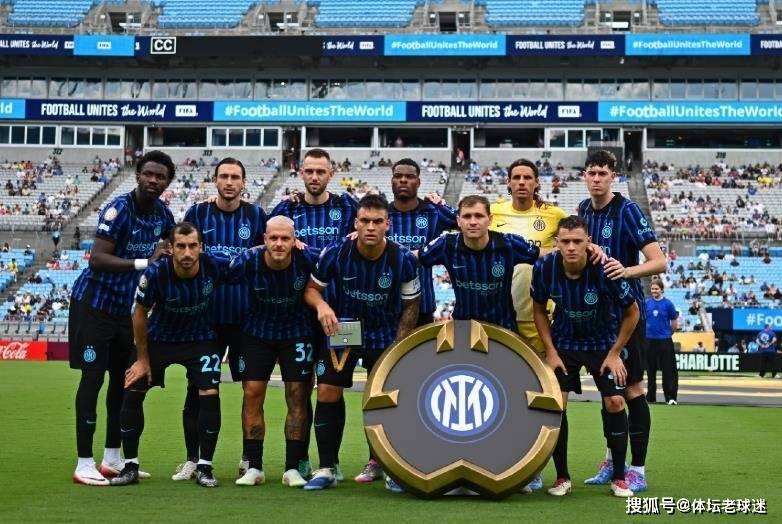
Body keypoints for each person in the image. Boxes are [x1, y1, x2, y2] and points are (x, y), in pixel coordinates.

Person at [69, 151, 176, 485]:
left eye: (160, 176)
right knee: (92, 379)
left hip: (125, 312)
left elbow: (174, 242)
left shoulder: (163, 214)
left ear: (167, 182)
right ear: (138, 175)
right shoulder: (118, 209)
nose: (153, 180)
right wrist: (145, 262)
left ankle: (112, 458)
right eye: (148, 174)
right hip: (94, 306)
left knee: (122, 381)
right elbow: (97, 259)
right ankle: (83, 463)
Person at [302, 194, 420, 491]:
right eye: (365, 221)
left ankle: (386, 465)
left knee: (386, 397)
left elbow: (411, 304)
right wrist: (322, 306)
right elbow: (312, 290)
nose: (370, 227)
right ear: (355, 223)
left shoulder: (403, 258)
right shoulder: (336, 252)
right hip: (345, 327)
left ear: (387, 225)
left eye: (377, 221)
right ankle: (328, 467)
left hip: (383, 331)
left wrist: (400, 343)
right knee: (327, 391)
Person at [110, 223, 232, 487]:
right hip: (159, 339)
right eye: (181, 246)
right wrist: (142, 359)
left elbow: (252, 261)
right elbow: (139, 314)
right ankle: (130, 465)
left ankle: (204, 467)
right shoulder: (155, 273)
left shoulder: (215, 264)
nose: (187, 253)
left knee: (210, 395)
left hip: (200, 339)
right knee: (132, 391)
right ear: (170, 248)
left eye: (192, 246)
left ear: (201, 247)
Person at [531, 215, 640, 498]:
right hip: (564, 342)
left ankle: (619, 478)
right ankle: (562, 478)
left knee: (615, 402)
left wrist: (615, 353)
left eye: (577, 241)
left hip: (602, 343)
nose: (571, 247)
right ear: (556, 242)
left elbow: (633, 312)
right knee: (556, 405)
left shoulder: (606, 268)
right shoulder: (544, 267)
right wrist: (550, 351)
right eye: (565, 241)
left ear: (588, 242)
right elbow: (539, 309)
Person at [578, 150, 666, 493]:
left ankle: (638, 469)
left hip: (627, 315)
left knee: (631, 389)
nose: (596, 179)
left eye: (603, 173)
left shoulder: (627, 210)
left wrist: (626, 270)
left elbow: (659, 261)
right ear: (584, 176)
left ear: (613, 176)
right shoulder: (583, 210)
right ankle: (612, 462)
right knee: (607, 394)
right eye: (591, 173)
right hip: (597, 317)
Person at [269, 148, 358, 481]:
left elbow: (372, 232)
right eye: (309, 171)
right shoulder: (286, 209)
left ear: (331, 174)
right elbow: (268, 247)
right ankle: (300, 458)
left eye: (321, 171)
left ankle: (331, 461)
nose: (315, 176)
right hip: (299, 315)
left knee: (333, 387)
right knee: (299, 388)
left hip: (343, 315)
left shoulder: (349, 208)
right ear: (300, 173)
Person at [176, 158, 266, 481]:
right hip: (206, 319)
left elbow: (266, 257)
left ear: (244, 182)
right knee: (197, 389)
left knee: (251, 390)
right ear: (215, 180)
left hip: (246, 319)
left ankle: (248, 458)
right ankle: (193, 459)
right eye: (224, 176)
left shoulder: (257, 216)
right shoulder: (197, 214)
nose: (229, 182)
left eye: (235, 177)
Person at [227, 216, 319, 488]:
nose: (279, 244)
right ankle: (254, 466)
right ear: (264, 239)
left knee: (298, 396)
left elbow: (337, 260)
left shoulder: (308, 258)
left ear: (295, 240)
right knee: (252, 394)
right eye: (274, 238)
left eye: (285, 238)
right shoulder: (246, 261)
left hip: (297, 332)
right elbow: (213, 272)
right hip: (257, 333)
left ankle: (293, 468)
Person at [418, 194, 541, 333]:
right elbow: (415, 257)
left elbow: (543, 255)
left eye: (479, 216)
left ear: (490, 219)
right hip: (463, 328)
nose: (473, 222)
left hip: (503, 329)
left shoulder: (509, 243)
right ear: (458, 220)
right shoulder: (446, 244)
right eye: (467, 216)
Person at [387, 158, 457, 327]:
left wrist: (441, 205)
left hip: (422, 306)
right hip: (386, 305)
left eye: (409, 177)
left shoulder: (433, 212)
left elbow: (466, 222)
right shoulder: (381, 215)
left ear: (418, 182)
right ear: (392, 181)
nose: (403, 180)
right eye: (398, 176)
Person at [644, 280, 680, 405]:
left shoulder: (668, 304)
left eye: (656, 289)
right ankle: (650, 397)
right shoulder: (647, 303)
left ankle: (670, 397)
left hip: (664, 341)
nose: (654, 291)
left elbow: (674, 323)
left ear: (662, 289)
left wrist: (667, 334)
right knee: (650, 370)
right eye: (652, 289)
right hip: (649, 340)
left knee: (668, 370)